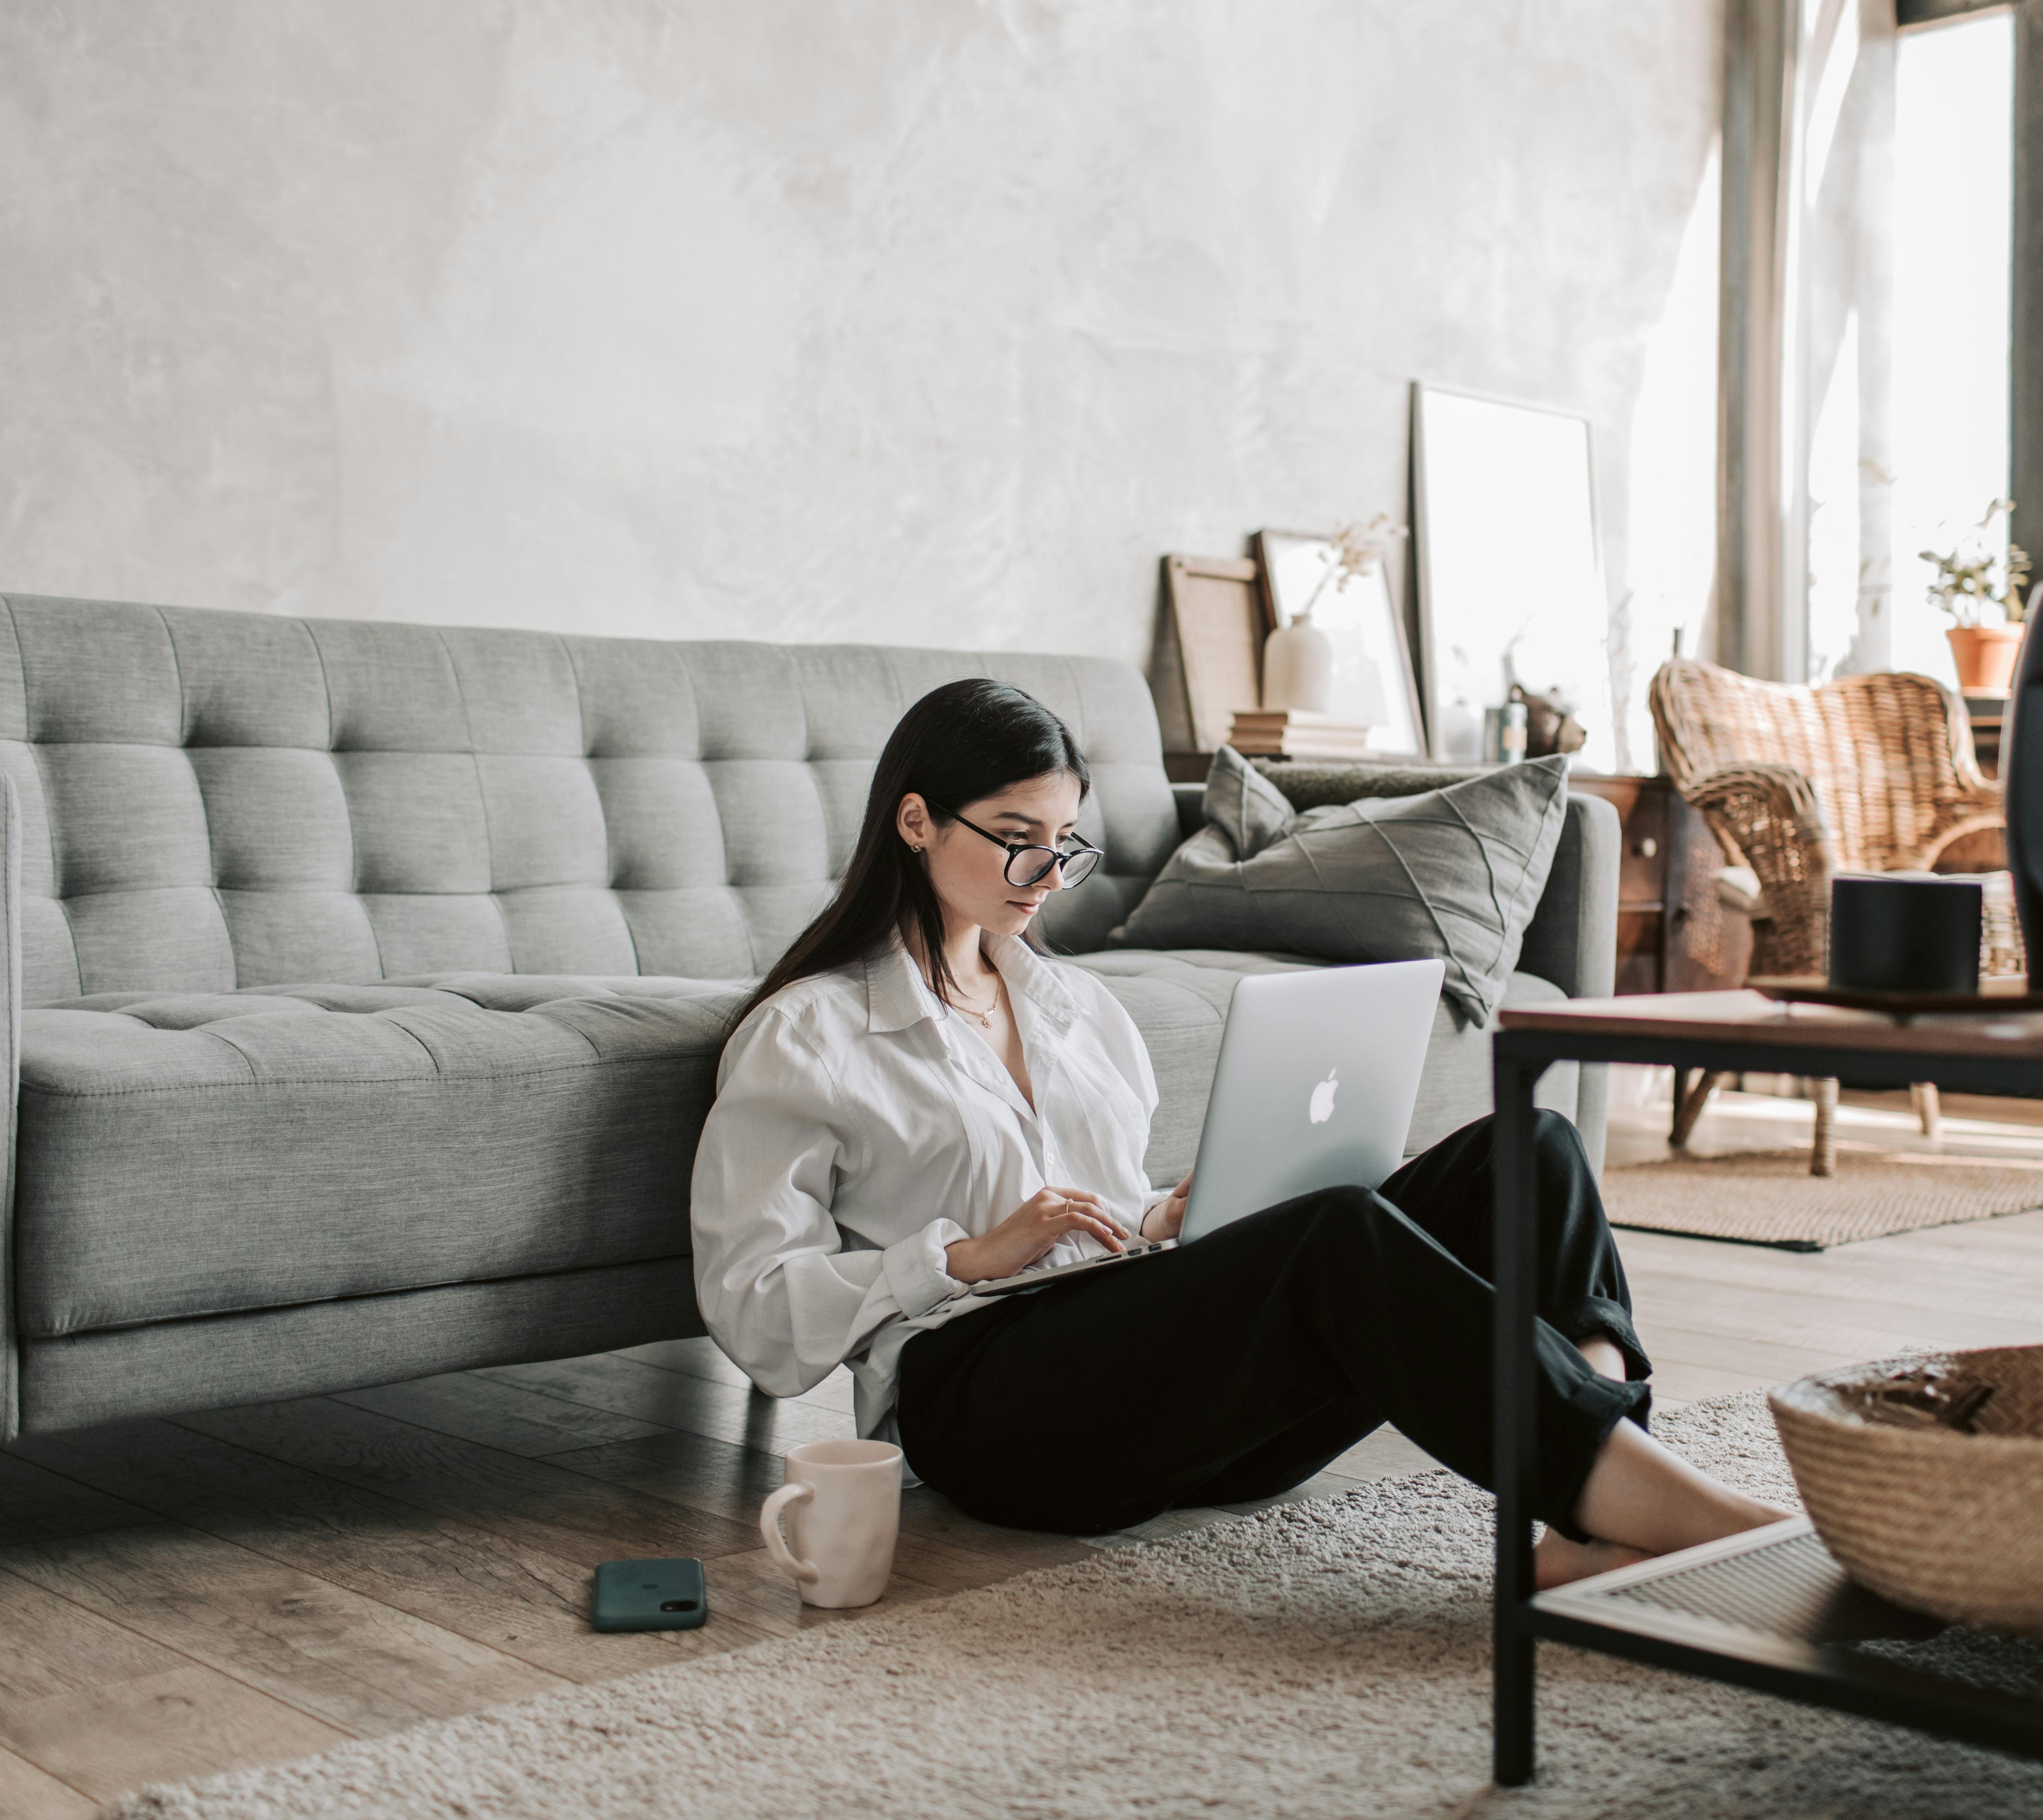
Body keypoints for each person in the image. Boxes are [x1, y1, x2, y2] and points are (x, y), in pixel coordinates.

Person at [690, 678, 1786, 1585]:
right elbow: (752, 1305)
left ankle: (1594, 1512)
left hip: (1154, 1394)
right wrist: (958, 1258)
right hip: (985, 1408)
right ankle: (1679, 1515)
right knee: (1338, 1237)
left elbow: (1101, 1211)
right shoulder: (812, 1031)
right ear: (916, 819)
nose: (1045, 878)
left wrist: (1168, 1220)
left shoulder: (1078, 1009)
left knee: (1530, 1147)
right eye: (1016, 840)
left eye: (1064, 846)